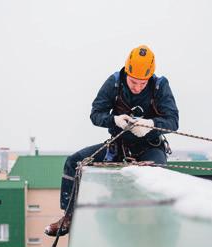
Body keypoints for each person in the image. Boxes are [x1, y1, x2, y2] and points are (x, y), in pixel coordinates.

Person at [44, 45, 179, 236]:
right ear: (126, 72)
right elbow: (96, 114)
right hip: (119, 146)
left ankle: (155, 225)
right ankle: (68, 216)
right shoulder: (114, 83)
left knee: (155, 176)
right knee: (73, 162)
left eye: (143, 83)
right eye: (133, 82)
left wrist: (150, 124)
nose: (138, 87)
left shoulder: (160, 86)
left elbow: (173, 121)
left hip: (150, 147)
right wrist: (114, 120)